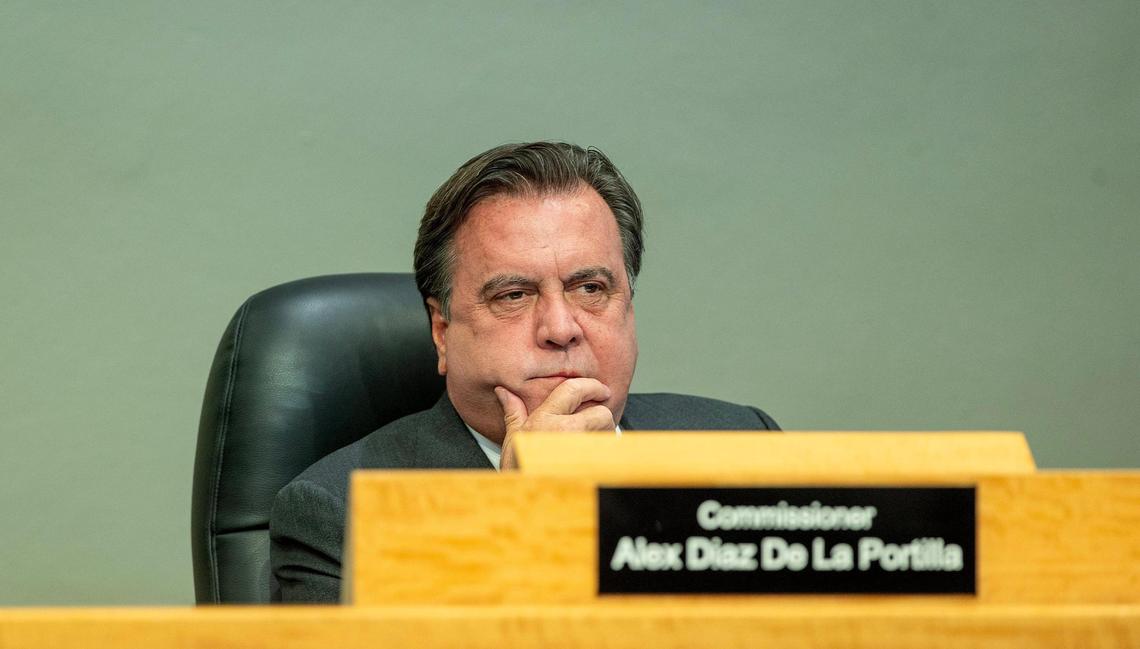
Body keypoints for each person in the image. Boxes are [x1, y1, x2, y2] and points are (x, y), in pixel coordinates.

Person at [269, 142, 779, 602]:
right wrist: (509, 523)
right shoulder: (338, 517)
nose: (561, 328)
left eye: (591, 289)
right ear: (442, 330)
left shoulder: (747, 450)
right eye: (513, 296)